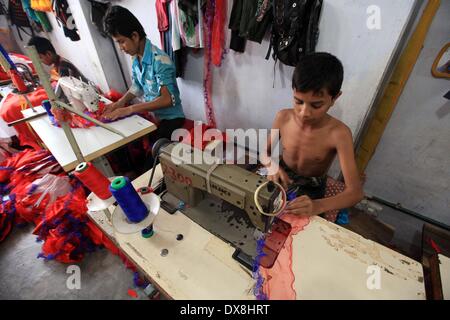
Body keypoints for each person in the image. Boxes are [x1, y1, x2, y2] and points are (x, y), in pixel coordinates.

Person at [263, 52, 364, 217]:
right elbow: (264, 152)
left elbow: (355, 192)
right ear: (293, 91)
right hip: (282, 176)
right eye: (298, 101)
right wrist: (272, 165)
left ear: (334, 98)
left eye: (316, 105)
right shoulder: (283, 117)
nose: (304, 113)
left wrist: (318, 206)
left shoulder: (339, 134)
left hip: (312, 187)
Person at [102, 5, 185, 140]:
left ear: (134, 36)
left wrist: (130, 109)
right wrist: (119, 103)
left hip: (172, 120)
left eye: (121, 42)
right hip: (155, 117)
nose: (121, 48)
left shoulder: (160, 61)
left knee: (152, 157)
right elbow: (137, 86)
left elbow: (168, 99)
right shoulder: (136, 58)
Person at [27, 36, 89, 121]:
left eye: (40, 58)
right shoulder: (58, 64)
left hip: (86, 98)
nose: (41, 62)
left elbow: (63, 90)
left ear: (48, 54)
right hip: (80, 98)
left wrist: (55, 106)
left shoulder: (63, 67)